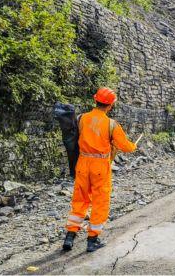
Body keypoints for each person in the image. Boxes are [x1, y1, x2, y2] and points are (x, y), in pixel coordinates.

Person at [63, 87, 137, 252]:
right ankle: (92, 240)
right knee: (100, 202)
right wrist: (133, 146)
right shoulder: (111, 125)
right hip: (100, 167)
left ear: (95, 100)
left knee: (80, 200)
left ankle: (70, 236)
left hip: (82, 163)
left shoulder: (81, 118)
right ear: (110, 106)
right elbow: (125, 146)